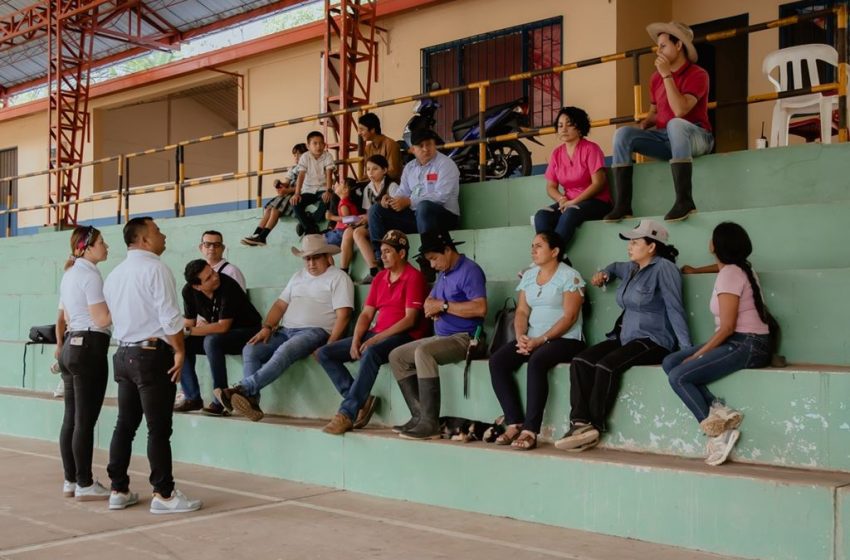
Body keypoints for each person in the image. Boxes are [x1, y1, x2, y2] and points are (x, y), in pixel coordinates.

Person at [554, 219, 691, 452]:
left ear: (651, 247)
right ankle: (578, 422)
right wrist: (604, 273)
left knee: (606, 366)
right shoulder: (631, 268)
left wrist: (687, 351)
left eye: (635, 242)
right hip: (625, 337)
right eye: (630, 242)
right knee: (580, 361)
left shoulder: (664, 269)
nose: (630, 246)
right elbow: (615, 266)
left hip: (654, 340)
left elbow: (675, 308)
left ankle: (594, 427)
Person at [103, 217, 202, 514]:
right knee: (158, 429)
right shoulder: (156, 269)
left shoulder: (115, 274)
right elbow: (169, 317)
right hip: (150, 354)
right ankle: (164, 494)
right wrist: (180, 351)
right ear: (144, 240)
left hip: (123, 355)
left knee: (125, 424)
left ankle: (118, 489)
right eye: (157, 231)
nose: (163, 235)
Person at [663, 222, 773, 466]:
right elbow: (722, 269)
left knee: (679, 376)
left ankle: (718, 432)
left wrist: (697, 355)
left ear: (714, 245)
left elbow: (727, 328)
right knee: (671, 361)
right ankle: (719, 411)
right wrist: (696, 270)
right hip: (746, 341)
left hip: (747, 344)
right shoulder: (739, 268)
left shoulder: (730, 274)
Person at [215, 235, 354, 422]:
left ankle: (242, 389)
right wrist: (267, 327)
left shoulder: (338, 277)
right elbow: (280, 305)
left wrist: (329, 345)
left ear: (328, 257)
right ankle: (251, 400)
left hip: (316, 331)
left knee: (285, 350)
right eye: (307, 258)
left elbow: (344, 316)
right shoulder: (297, 276)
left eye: (316, 257)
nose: (311, 263)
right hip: (285, 330)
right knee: (251, 348)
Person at [317, 230, 429, 434]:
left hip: (404, 336)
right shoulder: (380, 278)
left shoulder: (414, 277)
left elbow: (410, 320)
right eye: (381, 251)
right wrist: (357, 339)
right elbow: (367, 314)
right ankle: (360, 399)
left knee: (371, 352)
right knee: (325, 353)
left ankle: (347, 413)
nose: (381, 256)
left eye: (387, 252)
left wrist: (376, 338)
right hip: (377, 333)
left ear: (402, 253)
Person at [605, 21, 714, 223]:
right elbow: (657, 112)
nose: (658, 51)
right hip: (666, 138)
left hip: (698, 137)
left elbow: (680, 110)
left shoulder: (698, 74)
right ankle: (622, 205)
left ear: (679, 45)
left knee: (675, 124)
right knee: (622, 134)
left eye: (663, 46)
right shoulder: (655, 78)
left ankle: (685, 201)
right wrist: (646, 123)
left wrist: (667, 75)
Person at [488, 231, 586, 451]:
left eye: (539, 246)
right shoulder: (530, 275)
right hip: (533, 338)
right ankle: (514, 421)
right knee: (497, 361)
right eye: (532, 246)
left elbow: (569, 318)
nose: (533, 250)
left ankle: (530, 430)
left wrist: (541, 339)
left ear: (555, 251)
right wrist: (522, 336)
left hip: (565, 339)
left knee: (538, 360)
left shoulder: (570, 276)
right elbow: (522, 311)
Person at [388, 231, 486, 440]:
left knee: (423, 352)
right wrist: (431, 308)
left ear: (448, 250)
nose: (432, 265)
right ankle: (419, 416)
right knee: (397, 356)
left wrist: (443, 306)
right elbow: (430, 301)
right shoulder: (444, 272)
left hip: (465, 338)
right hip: (441, 337)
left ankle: (430, 423)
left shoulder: (470, 270)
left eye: (434, 258)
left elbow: (480, 308)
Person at [57, 226, 112, 501]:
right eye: (102, 242)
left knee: (72, 418)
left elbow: (65, 315)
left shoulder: (69, 273)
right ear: (87, 247)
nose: (107, 246)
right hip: (89, 347)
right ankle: (85, 482)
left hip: (71, 346)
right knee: (84, 421)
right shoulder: (89, 275)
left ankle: (71, 479)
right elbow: (101, 319)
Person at [174, 259, 263, 416]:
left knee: (212, 340)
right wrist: (184, 333)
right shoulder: (188, 291)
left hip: (248, 331)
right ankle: (192, 398)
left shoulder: (228, 285)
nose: (215, 277)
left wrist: (187, 331)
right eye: (208, 278)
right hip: (220, 336)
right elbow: (189, 323)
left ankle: (220, 399)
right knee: (182, 342)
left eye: (213, 272)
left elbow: (223, 327)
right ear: (197, 286)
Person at [367, 129, 460, 263]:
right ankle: (380, 256)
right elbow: (402, 192)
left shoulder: (446, 164)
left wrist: (410, 202)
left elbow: (441, 196)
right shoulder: (409, 168)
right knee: (376, 210)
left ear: (434, 145)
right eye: (420, 146)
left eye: (429, 144)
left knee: (424, 207)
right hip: (417, 217)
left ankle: (427, 255)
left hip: (444, 217)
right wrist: (391, 200)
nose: (425, 149)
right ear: (412, 149)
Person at [533, 107, 612, 247]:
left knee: (570, 213)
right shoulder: (556, 153)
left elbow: (598, 183)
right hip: (568, 202)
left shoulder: (591, 149)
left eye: (569, 124)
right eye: (560, 125)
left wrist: (573, 202)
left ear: (580, 126)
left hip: (596, 202)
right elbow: (550, 187)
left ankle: (551, 255)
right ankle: (557, 256)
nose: (563, 129)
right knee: (541, 215)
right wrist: (562, 199)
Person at [243, 143, 308, 246]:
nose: (296, 157)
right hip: (287, 194)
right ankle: (256, 235)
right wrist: (279, 184)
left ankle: (263, 236)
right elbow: (286, 183)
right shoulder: (293, 168)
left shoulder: (307, 168)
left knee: (275, 210)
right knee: (269, 209)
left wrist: (287, 191)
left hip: (296, 194)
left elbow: (304, 186)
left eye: (299, 155)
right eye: (295, 155)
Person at [353, 154, 401, 283]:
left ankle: (379, 261)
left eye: (375, 169)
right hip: (375, 224)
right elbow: (368, 211)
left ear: (385, 170)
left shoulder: (392, 186)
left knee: (360, 231)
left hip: (391, 222)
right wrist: (364, 218)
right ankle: (374, 269)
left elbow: (397, 208)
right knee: (355, 232)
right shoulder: (368, 189)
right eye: (368, 169)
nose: (370, 173)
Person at [291, 131, 336, 235]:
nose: (318, 146)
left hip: (322, 190)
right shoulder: (304, 157)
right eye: (315, 143)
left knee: (329, 200)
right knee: (295, 202)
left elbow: (329, 174)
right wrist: (297, 193)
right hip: (308, 190)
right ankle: (310, 229)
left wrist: (328, 191)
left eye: (321, 143)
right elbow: (301, 175)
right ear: (308, 146)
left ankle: (307, 222)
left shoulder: (328, 156)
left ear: (324, 145)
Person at [323, 177, 365, 274]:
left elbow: (348, 220)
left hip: (341, 233)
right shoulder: (346, 202)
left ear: (345, 190)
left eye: (341, 183)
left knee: (322, 243)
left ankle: (331, 271)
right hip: (341, 231)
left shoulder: (343, 203)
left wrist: (332, 217)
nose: (337, 184)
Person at [358, 113, 402, 182]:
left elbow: (393, 173)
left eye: (362, 129)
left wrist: (373, 177)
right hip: (374, 184)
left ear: (372, 130)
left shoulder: (390, 144)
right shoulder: (368, 148)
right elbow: (368, 173)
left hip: (390, 186)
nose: (359, 133)